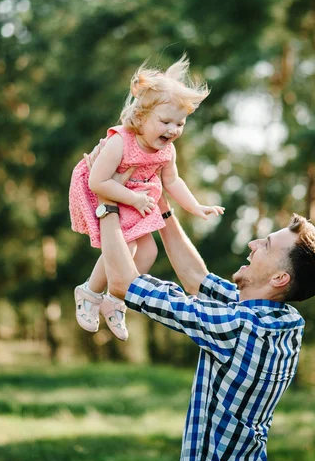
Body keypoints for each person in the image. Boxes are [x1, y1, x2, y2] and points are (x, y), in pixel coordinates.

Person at [94, 174, 315, 461]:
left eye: (264, 245)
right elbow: (196, 278)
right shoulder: (281, 320)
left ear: (279, 277)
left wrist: (106, 205)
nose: (252, 244)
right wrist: (161, 204)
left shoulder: (241, 327)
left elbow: (124, 284)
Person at [68, 55, 224, 341]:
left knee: (149, 252)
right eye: (165, 121)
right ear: (141, 116)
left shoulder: (166, 152)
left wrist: (195, 206)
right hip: (109, 192)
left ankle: (115, 300)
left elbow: (172, 181)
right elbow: (98, 181)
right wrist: (133, 198)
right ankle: (89, 291)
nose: (173, 130)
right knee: (122, 247)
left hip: (136, 200)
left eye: (180, 123)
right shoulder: (121, 141)